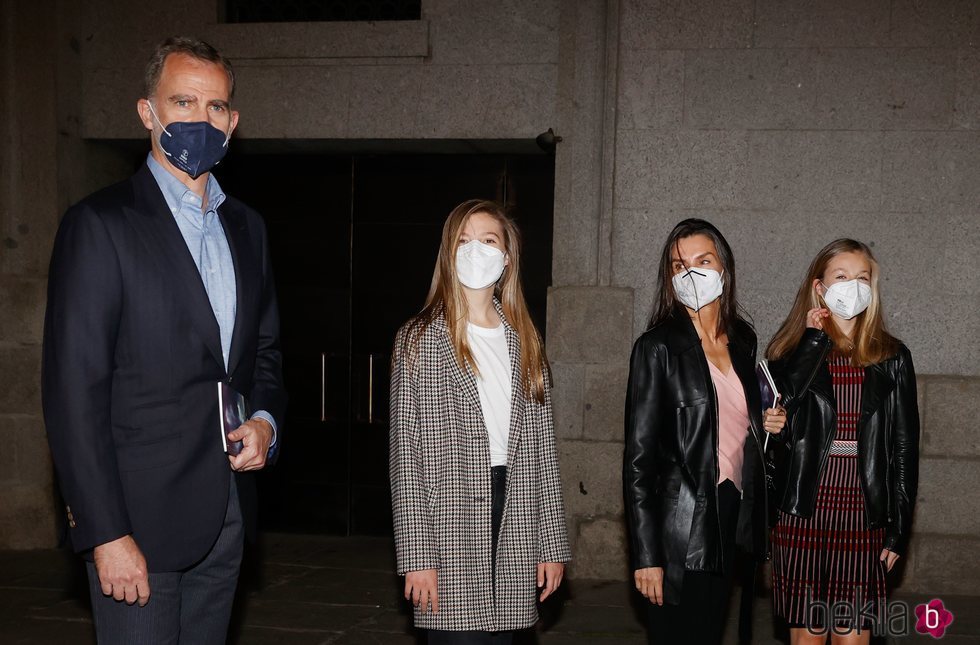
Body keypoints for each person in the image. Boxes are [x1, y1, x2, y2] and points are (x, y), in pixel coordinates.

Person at [42, 37, 286, 643]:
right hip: (137, 525)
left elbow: (265, 356)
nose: (201, 119)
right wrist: (104, 532)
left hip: (228, 516)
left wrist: (264, 423)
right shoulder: (100, 225)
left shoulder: (248, 228)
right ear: (148, 113)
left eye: (217, 107)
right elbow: (74, 393)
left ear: (233, 123)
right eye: (183, 102)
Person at [388, 199, 570, 644]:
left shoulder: (525, 340)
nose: (476, 250)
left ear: (506, 258)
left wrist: (552, 545)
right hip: (448, 516)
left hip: (515, 508)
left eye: (488, 241)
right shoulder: (418, 339)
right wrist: (417, 554)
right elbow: (405, 458)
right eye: (464, 241)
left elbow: (543, 452)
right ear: (448, 253)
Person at [624, 218, 786, 644]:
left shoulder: (743, 340)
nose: (692, 272)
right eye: (680, 265)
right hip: (679, 520)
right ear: (669, 277)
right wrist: (646, 557)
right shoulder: (656, 347)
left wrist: (768, 423)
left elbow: (740, 417)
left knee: (711, 630)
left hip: (731, 509)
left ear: (723, 269)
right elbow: (638, 462)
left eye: (703, 260)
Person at [765, 239, 919, 644]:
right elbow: (779, 420)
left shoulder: (893, 357)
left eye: (862, 278)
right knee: (808, 637)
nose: (853, 286)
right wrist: (814, 342)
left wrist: (898, 528)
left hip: (863, 510)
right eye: (841, 276)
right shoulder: (788, 354)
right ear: (820, 287)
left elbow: (904, 448)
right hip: (804, 509)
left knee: (853, 636)